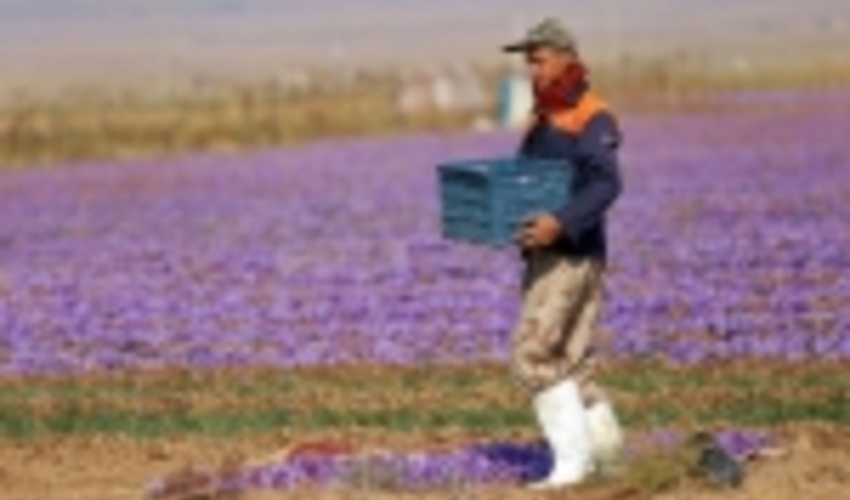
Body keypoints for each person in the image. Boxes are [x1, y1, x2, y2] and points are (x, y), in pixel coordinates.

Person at [502, 18, 625, 489]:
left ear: (566, 58)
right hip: (548, 254)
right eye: (527, 60)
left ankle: (572, 468)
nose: (531, 68)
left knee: (534, 354)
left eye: (538, 58)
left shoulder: (590, 116)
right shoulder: (544, 116)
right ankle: (610, 462)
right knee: (573, 361)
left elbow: (607, 182)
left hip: (572, 255)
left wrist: (561, 222)